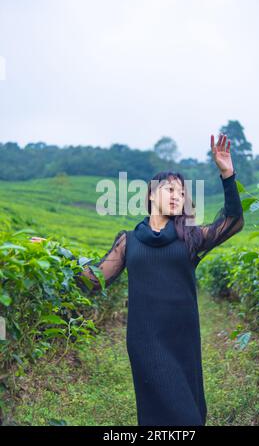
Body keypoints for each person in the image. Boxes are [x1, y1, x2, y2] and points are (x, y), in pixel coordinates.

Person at [30, 133, 244, 426]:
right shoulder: (129, 242)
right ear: (151, 195)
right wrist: (56, 252)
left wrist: (227, 174)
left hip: (183, 339)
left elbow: (233, 222)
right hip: (146, 340)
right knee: (175, 416)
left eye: (181, 193)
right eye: (170, 190)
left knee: (191, 410)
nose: (176, 196)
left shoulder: (191, 238)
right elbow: (94, 279)